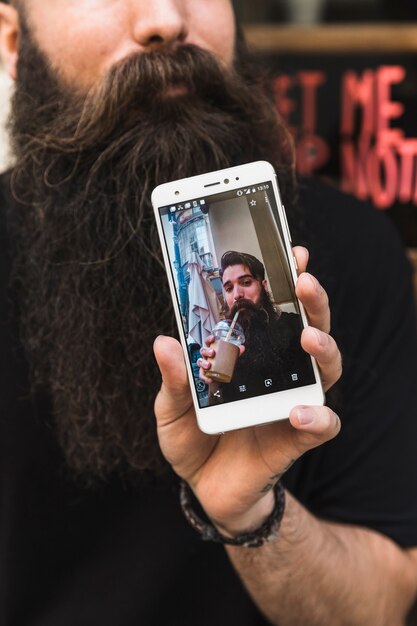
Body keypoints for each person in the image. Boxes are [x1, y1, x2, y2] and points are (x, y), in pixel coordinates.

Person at [0, 1, 416, 625]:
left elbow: (379, 606)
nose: (165, 17)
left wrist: (252, 515)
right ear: (12, 37)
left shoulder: (352, 252)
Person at [199, 250, 315, 402]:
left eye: (246, 282)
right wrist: (214, 383)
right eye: (228, 288)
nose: (237, 295)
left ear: (264, 286)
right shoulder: (227, 346)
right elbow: (215, 402)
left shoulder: (297, 327)